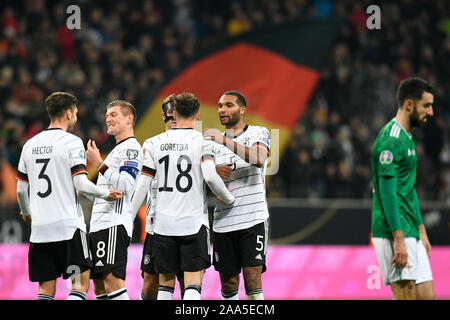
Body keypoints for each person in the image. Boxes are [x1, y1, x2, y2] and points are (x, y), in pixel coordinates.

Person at [16, 92, 122, 300]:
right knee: (79, 284)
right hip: (68, 231)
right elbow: (81, 183)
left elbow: (21, 190)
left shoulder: (29, 145)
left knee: (45, 290)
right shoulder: (71, 142)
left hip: (41, 232)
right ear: (68, 112)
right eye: (75, 113)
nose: (76, 117)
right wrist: (105, 193)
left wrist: (27, 213)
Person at [135, 92, 234, 300]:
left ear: (174, 114)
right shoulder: (203, 141)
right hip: (193, 223)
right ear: (198, 115)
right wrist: (228, 197)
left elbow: (143, 182)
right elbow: (210, 176)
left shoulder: (154, 143)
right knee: (192, 285)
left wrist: (129, 215)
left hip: (163, 224)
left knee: (165, 284)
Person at [371, 77, 435, 300]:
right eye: (426, 105)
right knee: (405, 296)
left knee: (427, 295)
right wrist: (398, 237)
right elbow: (387, 193)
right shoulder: (390, 140)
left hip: (411, 229)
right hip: (393, 229)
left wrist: (421, 229)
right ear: (409, 104)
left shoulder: (407, 138)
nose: (431, 112)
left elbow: (408, 189)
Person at [202, 91, 270, 300]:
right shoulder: (209, 143)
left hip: (253, 218)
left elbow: (258, 158)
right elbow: (202, 183)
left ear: (242, 110)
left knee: (252, 277)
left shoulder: (259, 132)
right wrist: (212, 175)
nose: (222, 109)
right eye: (220, 105)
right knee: (229, 282)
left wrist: (223, 140)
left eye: (228, 105)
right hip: (223, 222)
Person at [85, 100, 143, 300]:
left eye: (113, 114)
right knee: (100, 287)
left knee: (113, 283)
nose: (108, 118)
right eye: (107, 115)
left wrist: (99, 163)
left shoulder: (131, 149)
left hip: (113, 223)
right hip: (99, 224)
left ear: (129, 118)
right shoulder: (116, 150)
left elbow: (126, 184)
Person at [131, 94, 185, 300]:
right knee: (151, 280)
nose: (172, 117)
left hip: (186, 221)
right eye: (169, 113)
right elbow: (143, 182)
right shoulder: (152, 144)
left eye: (176, 113)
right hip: (158, 224)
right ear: (163, 115)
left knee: (186, 280)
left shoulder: (196, 142)